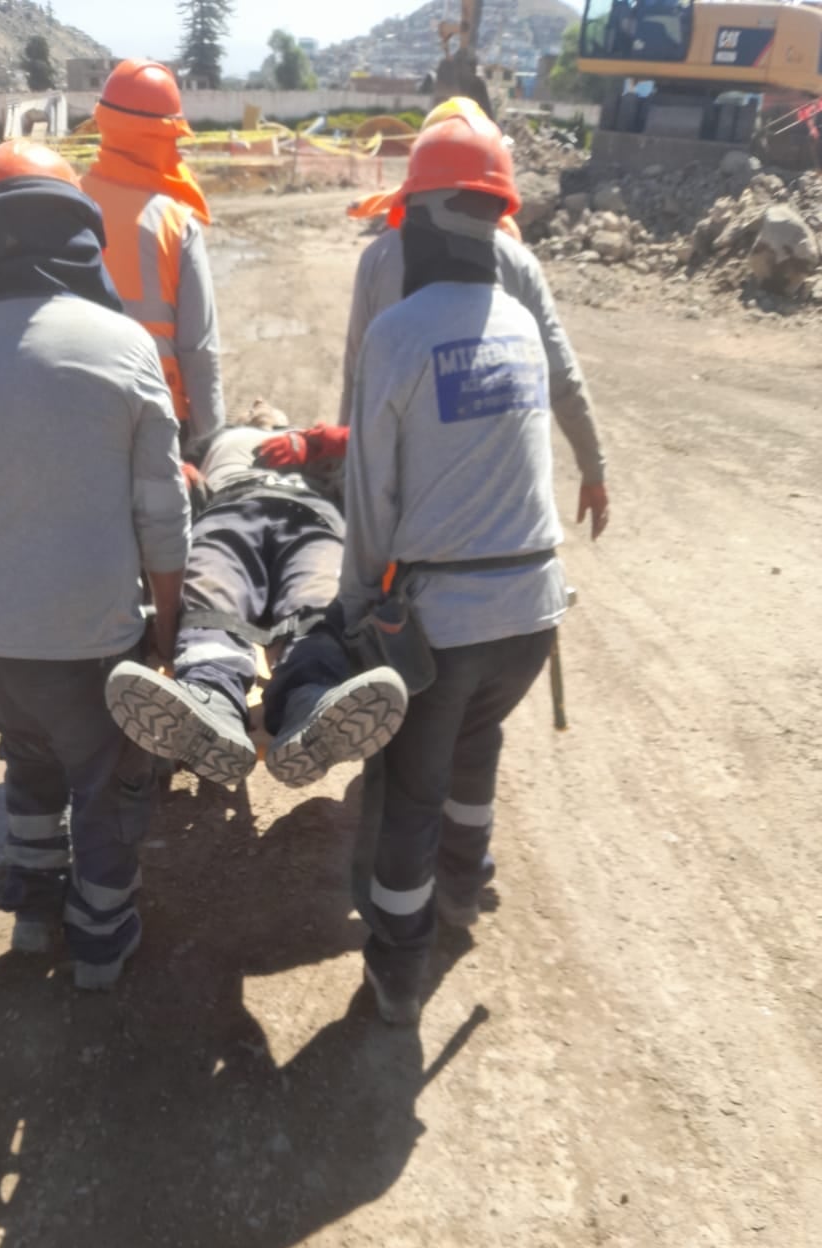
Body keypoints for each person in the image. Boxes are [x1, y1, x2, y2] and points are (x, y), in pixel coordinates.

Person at [286, 111, 606, 1028]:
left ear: (415, 219)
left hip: (448, 625)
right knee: (478, 746)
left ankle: (395, 969)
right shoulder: (516, 320)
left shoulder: (397, 334)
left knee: (411, 795)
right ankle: (466, 891)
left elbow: (371, 499)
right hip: (533, 615)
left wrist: (352, 614)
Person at [0, 141, 190, 991]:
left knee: (32, 754)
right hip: (81, 640)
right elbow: (163, 514)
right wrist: (166, 636)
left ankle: (35, 908)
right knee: (109, 778)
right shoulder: (122, 344)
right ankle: (101, 942)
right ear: (80, 235)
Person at [341, 98, 611, 541]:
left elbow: (357, 381)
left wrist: (348, 483)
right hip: (506, 520)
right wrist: (592, 469)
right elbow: (562, 377)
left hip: (407, 509)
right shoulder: (518, 262)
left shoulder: (376, 260)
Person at [105, 404, 406, 787]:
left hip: (310, 518)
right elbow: (161, 463)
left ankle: (308, 699)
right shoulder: (218, 439)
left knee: (317, 600)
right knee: (214, 591)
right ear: (244, 417)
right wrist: (178, 471)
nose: (261, 405)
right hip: (229, 509)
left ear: (284, 419)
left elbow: (371, 450)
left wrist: (314, 442)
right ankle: (213, 696)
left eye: (268, 406)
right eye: (255, 405)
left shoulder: (312, 441)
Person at [81, 58, 224, 446]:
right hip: (159, 420)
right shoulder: (175, 223)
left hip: (77, 410)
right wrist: (210, 435)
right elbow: (199, 348)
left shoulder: (67, 203)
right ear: (162, 137)